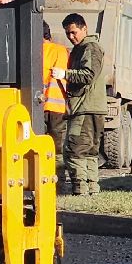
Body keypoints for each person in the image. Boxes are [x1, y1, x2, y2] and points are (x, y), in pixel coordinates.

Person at [55, 12, 106, 196]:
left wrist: (65, 74)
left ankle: (80, 189)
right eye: (68, 33)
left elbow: (89, 75)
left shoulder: (90, 47)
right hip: (92, 106)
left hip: (86, 106)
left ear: (84, 28)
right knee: (90, 152)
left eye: (74, 32)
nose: (71, 37)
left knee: (75, 149)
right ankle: (92, 189)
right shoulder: (83, 48)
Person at [41, 24, 69, 146]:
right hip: (59, 106)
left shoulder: (32, 51)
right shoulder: (61, 50)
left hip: (38, 105)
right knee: (58, 148)